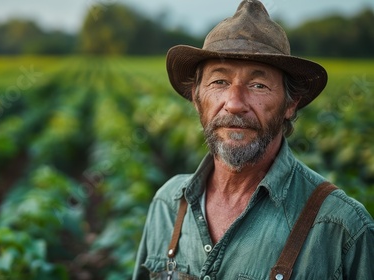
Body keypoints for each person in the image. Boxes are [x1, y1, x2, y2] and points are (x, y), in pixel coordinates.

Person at [133, 0, 374, 279]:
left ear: (290, 104)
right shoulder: (168, 204)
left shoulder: (341, 229)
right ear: (197, 99)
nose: (234, 103)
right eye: (219, 82)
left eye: (258, 85)